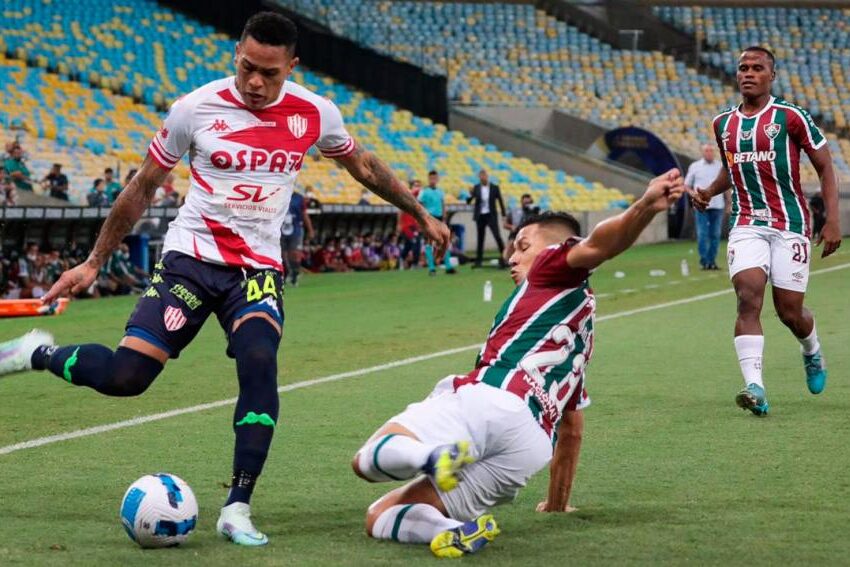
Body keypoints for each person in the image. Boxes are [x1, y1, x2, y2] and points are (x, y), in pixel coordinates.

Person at [0, 11, 449, 547]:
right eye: (248, 68)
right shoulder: (195, 108)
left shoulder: (315, 112)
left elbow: (365, 167)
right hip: (190, 258)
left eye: (271, 73)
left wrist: (420, 213)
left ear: (291, 67)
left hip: (256, 271)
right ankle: (36, 353)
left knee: (260, 363)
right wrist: (95, 261)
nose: (257, 83)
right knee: (127, 378)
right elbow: (143, 186)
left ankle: (237, 506)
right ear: (236, 54)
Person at [351, 170, 685, 558]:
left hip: (495, 397)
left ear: (552, 249)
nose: (512, 257)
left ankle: (432, 455)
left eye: (522, 246)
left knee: (366, 461)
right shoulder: (579, 329)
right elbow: (572, 427)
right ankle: (453, 530)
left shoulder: (551, 268)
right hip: (529, 445)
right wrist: (557, 502)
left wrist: (644, 206)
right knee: (379, 516)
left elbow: (599, 246)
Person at [691, 46, 842, 416]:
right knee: (748, 296)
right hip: (746, 224)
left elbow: (825, 167)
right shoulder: (722, 123)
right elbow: (734, 167)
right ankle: (755, 387)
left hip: (791, 224)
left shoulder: (791, 117)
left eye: (757, 68)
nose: (748, 73)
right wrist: (710, 191)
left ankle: (811, 349)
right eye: (743, 67)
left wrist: (833, 220)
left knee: (790, 312)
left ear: (771, 76)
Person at [685, 144, 725, 270]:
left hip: (717, 204)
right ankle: (704, 261)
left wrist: (729, 201)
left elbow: (726, 185)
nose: (709, 153)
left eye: (711, 151)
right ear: (702, 152)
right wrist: (694, 195)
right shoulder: (695, 166)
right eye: (707, 151)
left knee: (715, 234)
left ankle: (711, 261)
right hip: (701, 205)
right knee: (702, 234)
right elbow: (686, 185)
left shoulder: (720, 166)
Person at [467, 169, 506, 268]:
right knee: (480, 238)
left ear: (487, 176)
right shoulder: (476, 187)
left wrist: (503, 214)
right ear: (479, 177)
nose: (482, 177)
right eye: (480, 176)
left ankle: (505, 257)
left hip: (491, 215)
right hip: (480, 216)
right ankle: (478, 261)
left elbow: (500, 201)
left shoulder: (494, 187)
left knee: (497, 236)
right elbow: (469, 201)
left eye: (484, 175)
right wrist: (470, 194)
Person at [419, 170, 455, 275]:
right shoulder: (424, 192)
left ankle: (448, 266)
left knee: (445, 241)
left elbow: (443, 204)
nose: (433, 180)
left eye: (435, 178)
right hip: (430, 219)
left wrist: (444, 217)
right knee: (429, 242)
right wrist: (423, 220)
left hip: (439, 219)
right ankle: (431, 268)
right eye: (431, 178)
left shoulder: (440, 191)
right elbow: (420, 205)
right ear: (428, 179)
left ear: (437, 179)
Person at [280, 187, 315, 286]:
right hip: (280, 230)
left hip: (295, 230)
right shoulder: (278, 194)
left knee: (294, 253)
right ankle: (286, 273)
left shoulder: (299, 198)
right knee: (281, 254)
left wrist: (310, 229)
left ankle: (295, 274)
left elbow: (304, 214)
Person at [399, 179, 423, 269]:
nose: (418, 187)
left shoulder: (419, 200)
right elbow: (400, 211)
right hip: (407, 226)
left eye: (419, 185)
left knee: (410, 245)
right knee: (415, 243)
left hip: (415, 226)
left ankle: (403, 259)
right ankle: (414, 264)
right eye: (416, 185)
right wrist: (399, 224)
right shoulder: (407, 195)